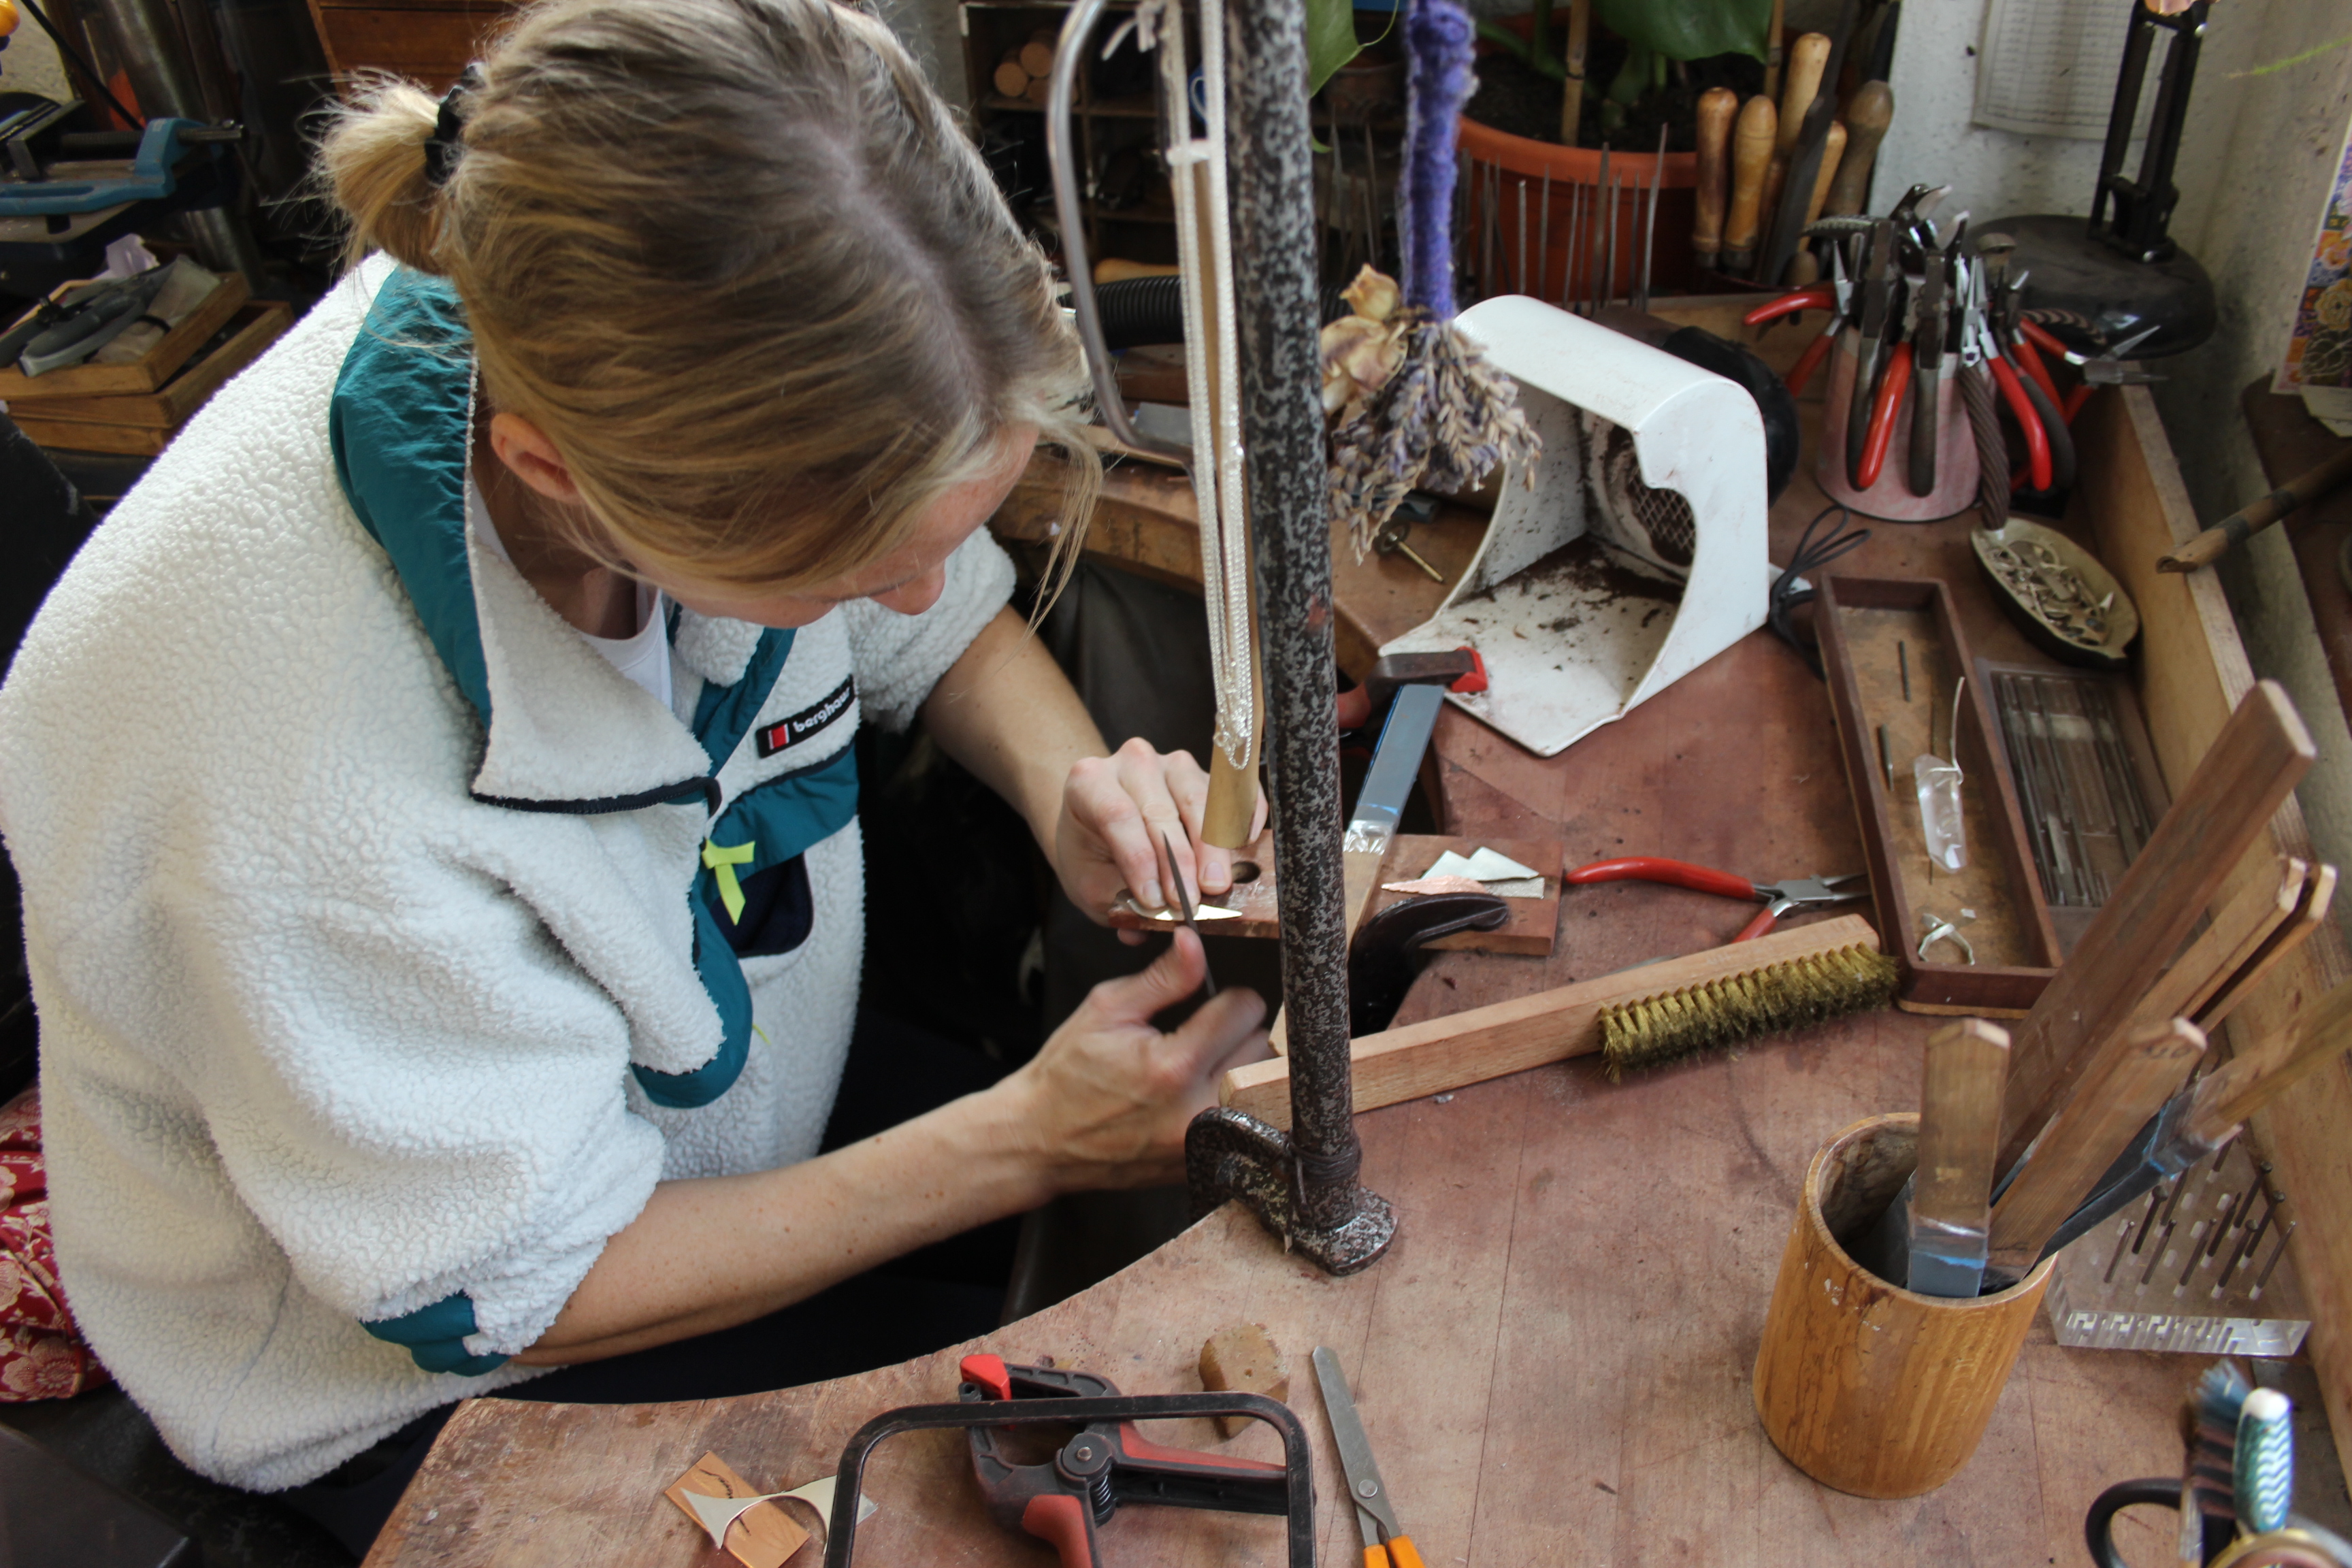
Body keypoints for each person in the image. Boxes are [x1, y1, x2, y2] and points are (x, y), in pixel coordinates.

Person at [0, 0, 1267, 1549]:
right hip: (441, 1379)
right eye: (854, 568)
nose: (916, 596)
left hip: (714, 1131)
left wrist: (1073, 781)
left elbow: (929, 631)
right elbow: (508, 1285)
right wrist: (1020, 1141)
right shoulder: (279, 782)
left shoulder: (609, 341)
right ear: (555, 475)